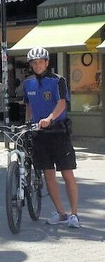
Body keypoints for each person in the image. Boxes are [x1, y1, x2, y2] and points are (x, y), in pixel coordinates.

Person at [23, 47, 79, 228]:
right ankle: (61, 213)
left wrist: (49, 118)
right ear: (31, 65)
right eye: (34, 62)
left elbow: (61, 103)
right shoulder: (28, 83)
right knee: (48, 174)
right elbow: (29, 106)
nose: (37, 65)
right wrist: (27, 123)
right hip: (40, 135)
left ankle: (74, 214)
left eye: (40, 61)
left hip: (58, 133)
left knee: (67, 173)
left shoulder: (57, 81)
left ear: (47, 63)